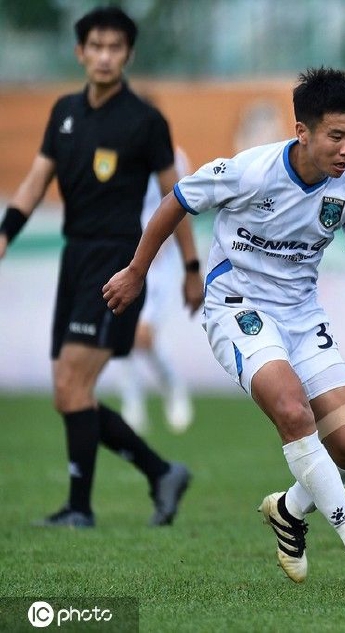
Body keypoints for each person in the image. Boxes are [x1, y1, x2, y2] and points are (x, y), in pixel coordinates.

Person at [103, 67, 345, 583]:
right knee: (291, 408)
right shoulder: (251, 171)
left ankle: (289, 510)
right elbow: (177, 201)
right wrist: (136, 271)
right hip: (237, 305)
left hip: (301, 314)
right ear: (303, 131)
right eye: (337, 136)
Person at [0, 6, 202, 528]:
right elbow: (35, 183)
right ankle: (161, 473)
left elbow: (175, 198)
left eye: (115, 47)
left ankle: (80, 508)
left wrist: (191, 267)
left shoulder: (145, 121)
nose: (105, 56)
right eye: (96, 46)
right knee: (69, 391)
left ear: (128, 54)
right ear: (80, 52)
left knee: (72, 385)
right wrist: (4, 235)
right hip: (75, 258)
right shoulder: (64, 112)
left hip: (117, 263)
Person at [118, 146, 195, 435]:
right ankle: (132, 405)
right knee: (123, 331)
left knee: (143, 335)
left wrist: (160, 241)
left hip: (159, 260)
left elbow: (181, 205)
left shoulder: (173, 158)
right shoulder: (117, 152)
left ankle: (173, 386)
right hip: (121, 254)